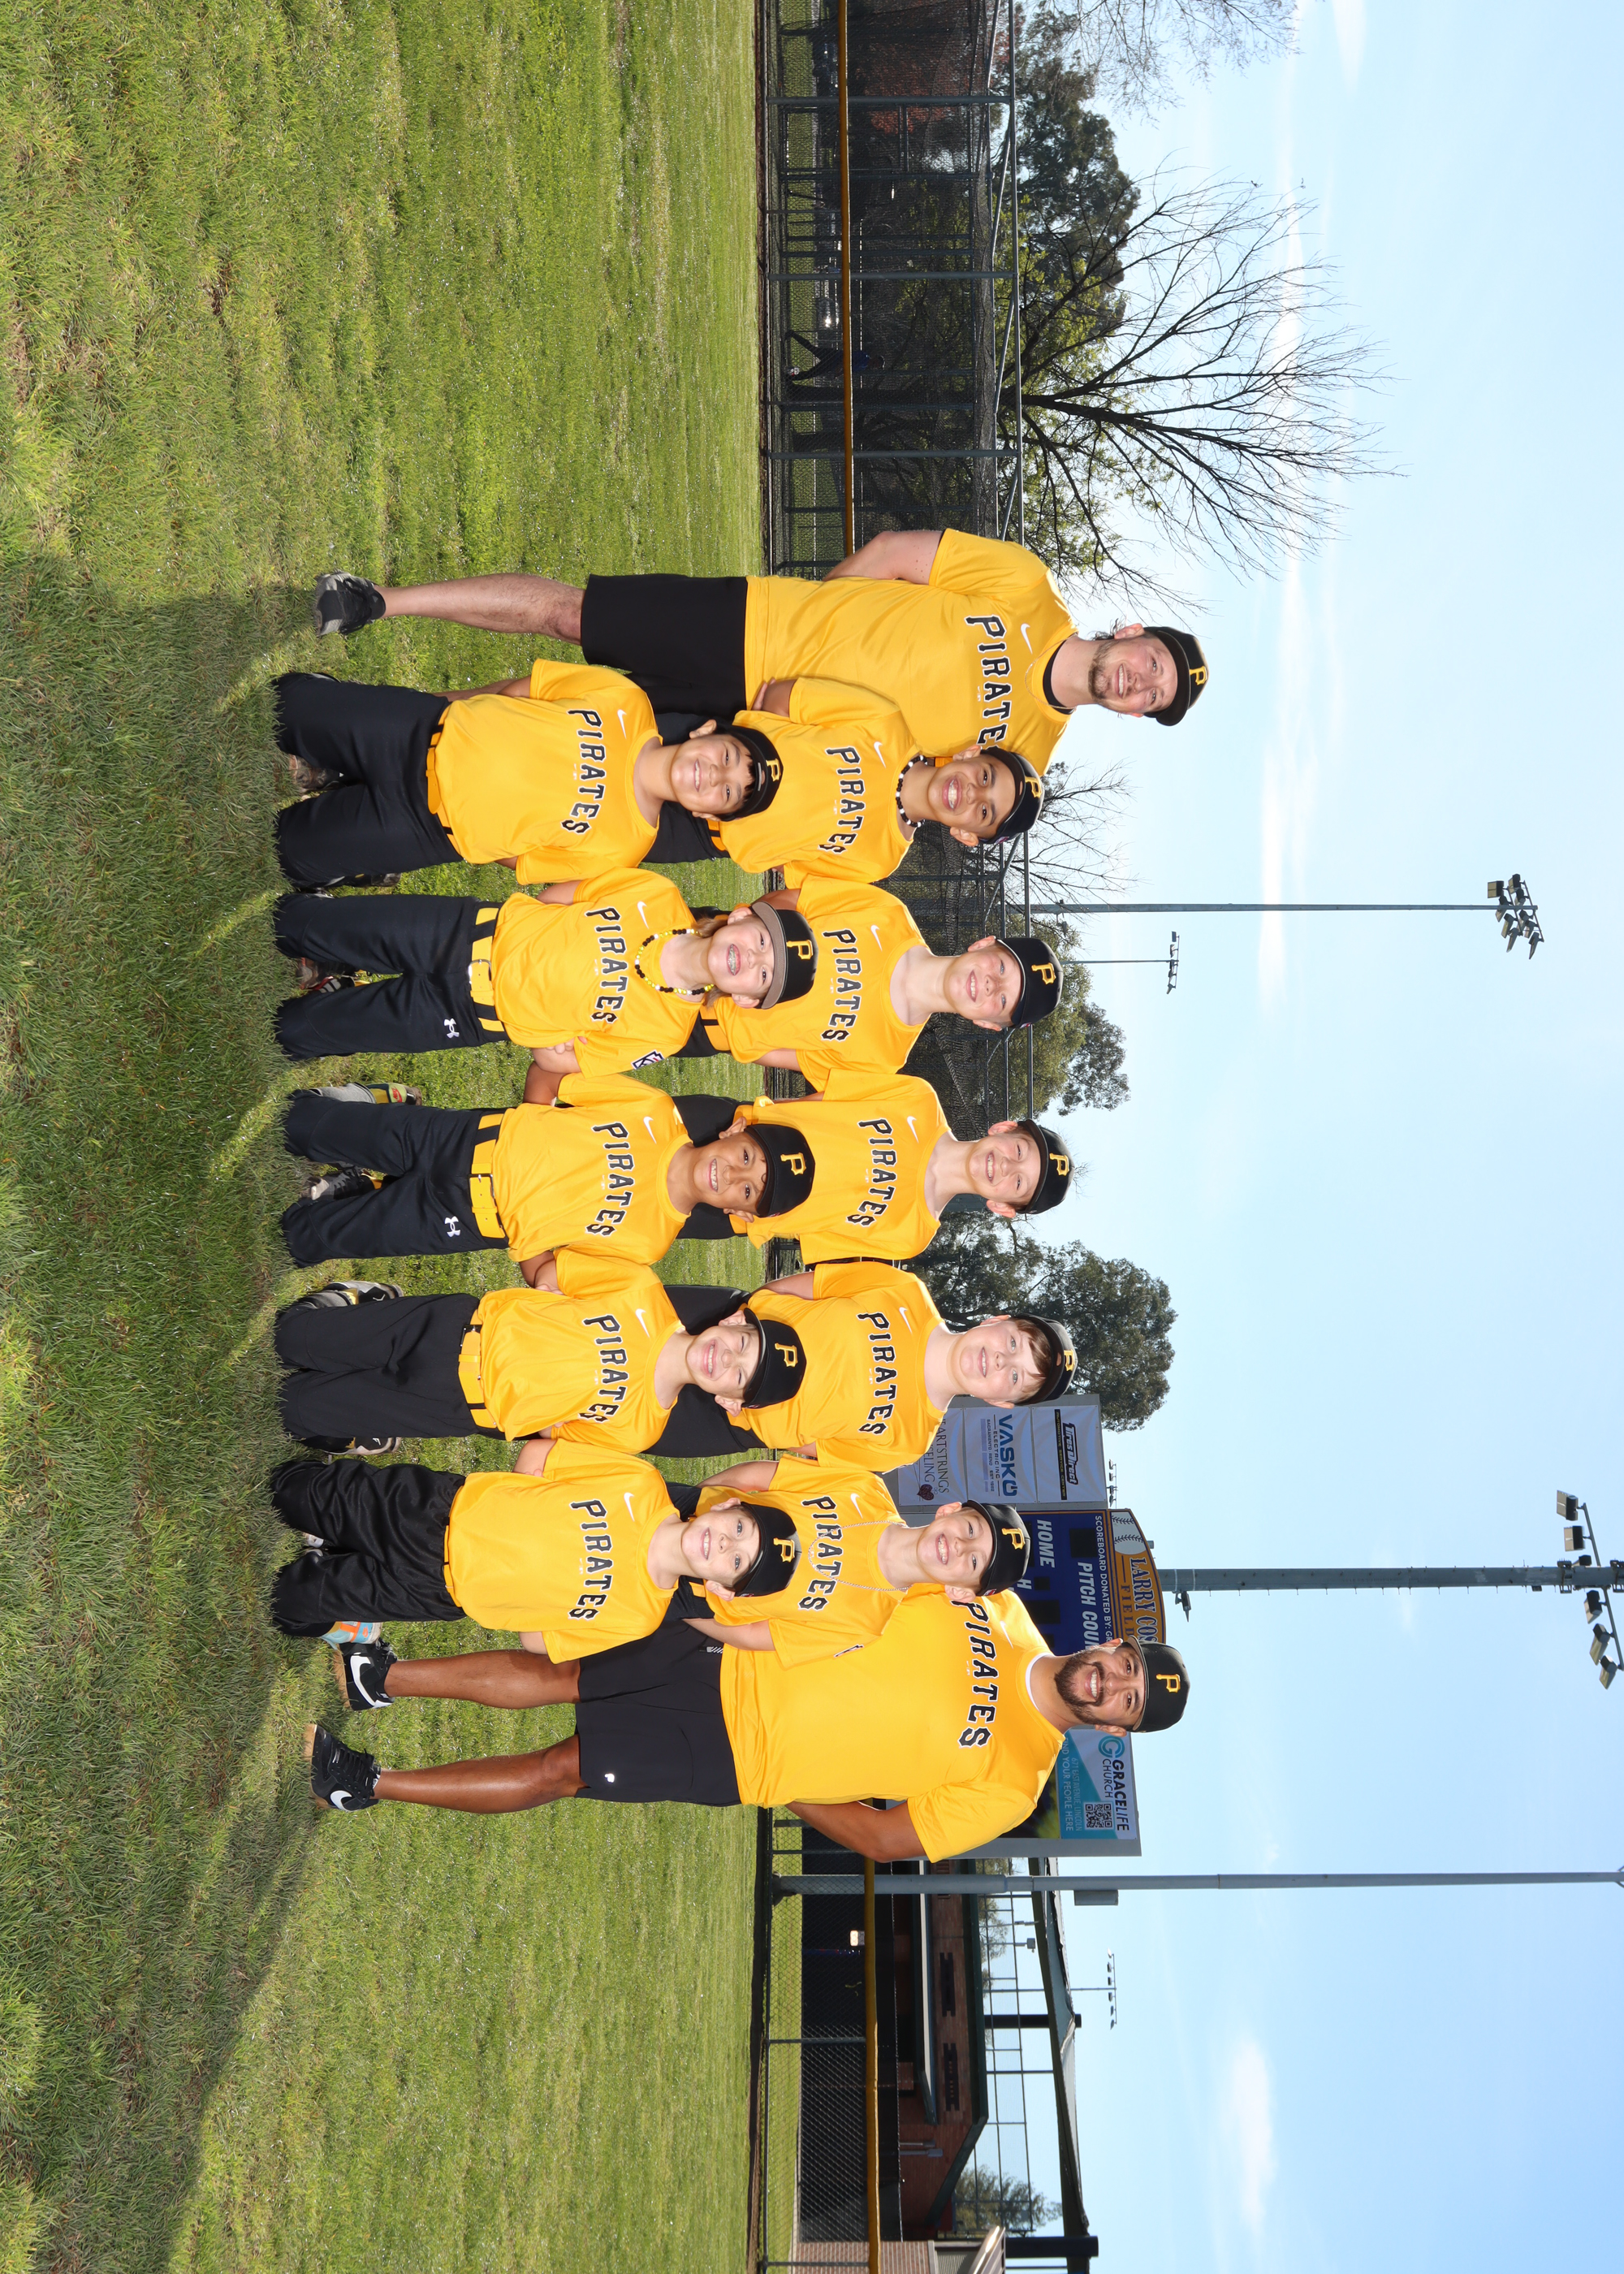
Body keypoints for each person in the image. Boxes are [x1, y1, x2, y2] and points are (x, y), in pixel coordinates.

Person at [302, 1584, 1194, 1857]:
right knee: (561, 1671)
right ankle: (380, 1675)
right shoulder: (996, 1605)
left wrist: (785, 1780)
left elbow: (888, 1838)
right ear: (1113, 1642)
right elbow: (875, 1575)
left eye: (1126, 1699)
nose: (1110, 1681)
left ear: (1113, 1730)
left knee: (561, 1768)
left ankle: (365, 1783)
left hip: (735, 1753)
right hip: (733, 1647)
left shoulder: (1016, 1783)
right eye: (1124, 1664)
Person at [310, 528, 1208, 772]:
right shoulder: (1024, 586)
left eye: (1151, 696)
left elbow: (912, 787)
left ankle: (382, 735)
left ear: (1136, 715)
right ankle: (377, 601)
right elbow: (896, 552)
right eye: (1153, 665)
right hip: (754, 623)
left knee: (558, 714)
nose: (1139, 682)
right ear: (1133, 632)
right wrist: (818, 614)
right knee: (572, 620)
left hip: (755, 736)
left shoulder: (1022, 757)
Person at [321, 1480, 1030, 1707]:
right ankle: (356, 1534)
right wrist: (712, 1506)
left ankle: (370, 1602)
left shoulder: (867, 1622)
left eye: (973, 1564)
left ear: (962, 1593)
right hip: (704, 1520)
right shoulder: (866, 1491)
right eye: (969, 1530)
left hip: (696, 1597)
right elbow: (768, 1474)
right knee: (548, 1527)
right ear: (950, 1511)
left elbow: (763, 1636)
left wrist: (695, 1615)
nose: (957, 1548)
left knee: (549, 1624)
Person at [519, 875, 1061, 1092]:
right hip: (717, 946)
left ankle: (532, 1063)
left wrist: (739, 1028)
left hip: (706, 1025)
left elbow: (793, 1057)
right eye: (1000, 969)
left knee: (578, 1042)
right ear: (983, 946)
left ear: (988, 1023)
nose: (988, 986)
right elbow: (796, 901)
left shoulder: (887, 1058)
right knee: (596, 957)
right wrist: (745, 933)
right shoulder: (888, 914)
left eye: (1002, 1000)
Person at [270, 665, 774, 889]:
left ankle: (352, 859)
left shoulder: (628, 848)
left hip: (425, 828)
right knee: (284, 704)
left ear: (707, 814)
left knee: (286, 854)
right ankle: (338, 729)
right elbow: (522, 690)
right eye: (728, 755)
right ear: (706, 730)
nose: (714, 775)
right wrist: (431, 711)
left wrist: (472, 825)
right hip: (419, 733)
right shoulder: (628, 701)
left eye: (727, 793)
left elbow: (524, 859)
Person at [267, 1435, 801, 1645]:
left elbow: (538, 1641)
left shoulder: (641, 1616)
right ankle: (331, 1530)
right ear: (725, 1505)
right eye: (739, 1530)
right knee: (289, 1493)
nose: (725, 1545)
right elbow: (542, 1456)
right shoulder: (642, 1484)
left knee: (288, 1603)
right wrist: (512, 1515)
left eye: (737, 1563)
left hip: (440, 1590)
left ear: (721, 1591)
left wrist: (518, 1586)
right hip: (437, 1510)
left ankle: (330, 1578)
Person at [277, 1074, 812, 1272]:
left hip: (467, 1220)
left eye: (748, 1192)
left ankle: (350, 1203)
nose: (733, 1176)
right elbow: (554, 1079)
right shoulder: (654, 1110)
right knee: (299, 1124)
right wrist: (531, 1124)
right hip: (463, 1140)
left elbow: (550, 1273)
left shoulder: (650, 1243)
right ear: (735, 1128)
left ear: (739, 1215)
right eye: (747, 1158)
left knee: (307, 1240)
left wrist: (526, 1239)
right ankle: (352, 1127)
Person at [270, 875, 818, 1066]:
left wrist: (550, 1033)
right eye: (761, 940)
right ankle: (334, 949)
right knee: (293, 922)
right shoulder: (658, 895)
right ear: (741, 916)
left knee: (294, 1033)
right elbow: (564, 895)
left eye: (763, 976)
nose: (753, 959)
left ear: (745, 1000)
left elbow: (561, 1059)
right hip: (462, 933)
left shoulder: (668, 1032)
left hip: (470, 1015)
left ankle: (334, 992)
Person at [272, 1260, 763, 1458]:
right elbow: (553, 1275)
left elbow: (552, 1436)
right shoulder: (642, 1289)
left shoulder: (643, 1429)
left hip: (458, 1405)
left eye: (738, 1376)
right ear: (734, 1318)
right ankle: (364, 1305)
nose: (726, 1359)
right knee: (289, 1337)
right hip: (453, 1329)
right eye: (742, 1343)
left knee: (291, 1409)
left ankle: (352, 1413)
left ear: (730, 1402)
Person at [656, 1260, 1079, 1470]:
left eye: (1015, 1376)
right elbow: (809, 1287)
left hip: (727, 1421)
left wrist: (754, 1417)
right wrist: (744, 1316)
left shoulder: (911, 1442)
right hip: (722, 1327)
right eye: (1012, 1342)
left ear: (1002, 1403)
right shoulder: (907, 1291)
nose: (1001, 1360)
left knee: (621, 1421)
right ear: (996, 1320)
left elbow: (815, 1447)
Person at [725, 1070, 1073, 1261]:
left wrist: (764, 1219)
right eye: (1019, 1151)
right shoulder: (920, 1099)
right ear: (1004, 1128)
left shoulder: (912, 1238)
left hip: (745, 1209)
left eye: (1018, 1183)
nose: (1007, 1166)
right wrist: (756, 1122)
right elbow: (822, 1103)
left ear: (1002, 1208)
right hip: (741, 1136)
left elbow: (818, 1233)